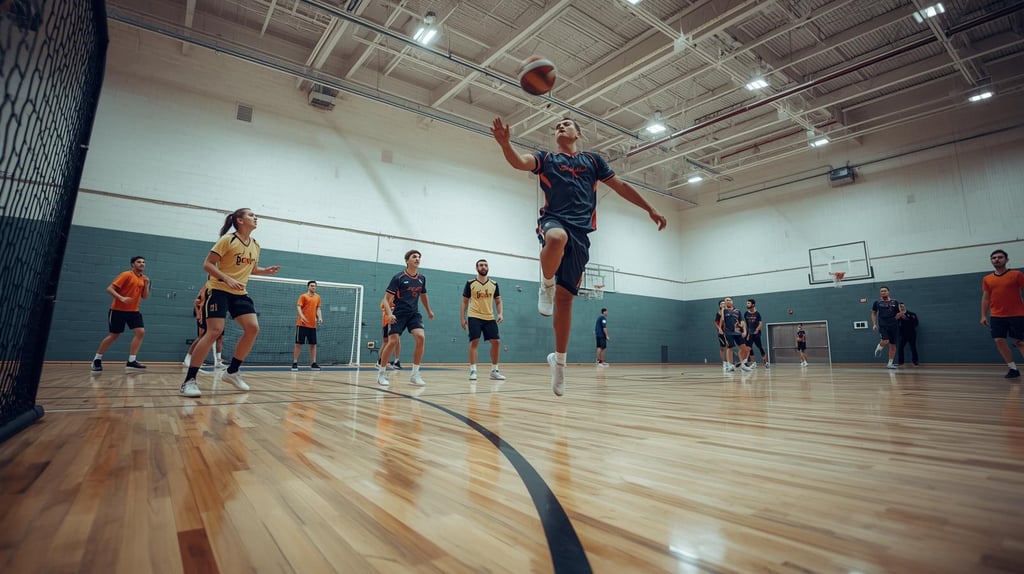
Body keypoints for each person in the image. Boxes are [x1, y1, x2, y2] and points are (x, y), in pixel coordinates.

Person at [490, 117, 667, 396]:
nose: (561, 127)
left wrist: (649, 208)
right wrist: (505, 144)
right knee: (556, 239)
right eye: (557, 125)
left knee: (565, 300)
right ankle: (546, 282)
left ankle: (559, 362)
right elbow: (519, 162)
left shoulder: (593, 161)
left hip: (582, 233)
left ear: (578, 133)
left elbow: (620, 186)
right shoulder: (546, 158)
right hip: (554, 221)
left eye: (567, 124)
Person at [180, 208, 280, 397]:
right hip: (218, 290)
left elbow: (250, 269)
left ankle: (232, 371)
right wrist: (226, 279)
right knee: (214, 332)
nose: (255, 217)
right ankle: (189, 381)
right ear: (240, 220)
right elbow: (207, 264)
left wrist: (264, 271)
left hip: (239, 292)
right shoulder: (228, 239)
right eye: (251, 215)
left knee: (253, 328)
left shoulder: (256, 245)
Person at [379, 250, 435, 387]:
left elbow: (423, 295)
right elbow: (386, 300)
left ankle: (415, 374)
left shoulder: (422, 278)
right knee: (392, 341)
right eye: (414, 257)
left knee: (421, 337)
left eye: (419, 257)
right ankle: (381, 373)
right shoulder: (398, 278)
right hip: (398, 314)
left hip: (414, 314)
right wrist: (389, 314)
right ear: (407, 261)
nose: (417, 259)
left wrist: (429, 310)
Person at [90, 255, 151, 372]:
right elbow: (109, 289)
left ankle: (131, 361)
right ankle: (97, 359)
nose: (142, 264)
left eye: (143, 262)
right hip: (118, 310)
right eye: (139, 262)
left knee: (140, 332)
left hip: (134, 311)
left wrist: (147, 284)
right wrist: (121, 298)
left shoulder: (144, 279)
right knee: (114, 335)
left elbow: (145, 296)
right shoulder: (126, 275)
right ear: (133, 264)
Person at [980, 249, 1024, 379]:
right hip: (997, 316)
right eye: (994, 258)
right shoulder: (987, 279)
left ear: (1006, 260)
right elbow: (986, 298)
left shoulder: (1017, 274)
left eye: (1000, 257)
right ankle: (1012, 368)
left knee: (1020, 342)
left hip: (1017, 314)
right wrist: (983, 315)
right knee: (999, 340)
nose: (997, 259)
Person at [460, 259, 506, 382]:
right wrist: (462, 318)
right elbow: (464, 301)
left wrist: (500, 313)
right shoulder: (470, 283)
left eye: (485, 265)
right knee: (474, 341)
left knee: (496, 341)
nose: (483, 267)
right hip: (474, 315)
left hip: (489, 317)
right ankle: (473, 370)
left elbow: (498, 300)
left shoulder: (494, 284)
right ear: (477, 268)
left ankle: (494, 370)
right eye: (481, 265)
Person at [184, 286, 225, 369]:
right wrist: (198, 314)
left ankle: (218, 361)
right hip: (204, 315)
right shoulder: (206, 287)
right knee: (200, 337)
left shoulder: (223, 289)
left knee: (220, 338)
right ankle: (187, 358)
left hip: (218, 315)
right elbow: (196, 302)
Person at [292, 280, 323, 371]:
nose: (314, 287)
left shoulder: (317, 297)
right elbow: (298, 307)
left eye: (315, 286)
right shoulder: (303, 296)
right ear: (308, 287)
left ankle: (313, 363)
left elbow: (318, 308)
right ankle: (295, 362)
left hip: (312, 325)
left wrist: (320, 317)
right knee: (299, 343)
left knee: (313, 344)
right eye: (312, 286)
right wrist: (302, 316)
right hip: (301, 324)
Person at [871, 286, 901, 369]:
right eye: (881, 291)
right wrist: (874, 324)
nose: (883, 292)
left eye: (885, 291)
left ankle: (890, 363)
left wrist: (900, 315)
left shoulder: (895, 302)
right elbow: (874, 313)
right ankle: (879, 347)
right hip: (883, 325)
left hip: (894, 325)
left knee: (893, 345)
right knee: (885, 340)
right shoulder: (877, 302)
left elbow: (898, 313)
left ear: (888, 292)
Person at [719, 297, 752, 372]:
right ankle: (730, 365)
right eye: (726, 300)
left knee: (743, 347)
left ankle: (743, 364)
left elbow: (742, 321)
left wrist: (744, 331)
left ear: (732, 301)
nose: (728, 301)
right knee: (730, 348)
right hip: (728, 332)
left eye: (729, 300)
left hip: (737, 332)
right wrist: (720, 329)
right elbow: (722, 320)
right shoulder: (723, 311)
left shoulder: (738, 311)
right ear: (725, 302)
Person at [744, 299, 768, 368]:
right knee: (749, 348)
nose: (747, 304)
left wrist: (757, 330)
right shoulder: (746, 313)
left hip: (756, 334)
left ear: (753, 304)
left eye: (748, 303)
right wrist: (746, 333)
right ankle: (753, 363)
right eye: (747, 303)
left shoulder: (757, 313)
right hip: (749, 334)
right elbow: (746, 324)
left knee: (760, 347)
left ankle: (765, 362)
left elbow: (761, 324)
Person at [379, 299, 402, 370]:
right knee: (386, 342)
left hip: (396, 321)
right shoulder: (388, 297)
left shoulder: (401, 297)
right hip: (387, 322)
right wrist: (391, 309)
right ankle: (380, 360)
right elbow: (383, 307)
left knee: (397, 340)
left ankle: (396, 361)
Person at [713, 300, 729, 369]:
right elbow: (716, 322)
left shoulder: (729, 312)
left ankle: (729, 362)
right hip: (721, 332)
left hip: (729, 331)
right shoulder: (718, 313)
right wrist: (719, 329)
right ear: (720, 305)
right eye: (721, 304)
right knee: (723, 347)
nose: (723, 304)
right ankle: (724, 363)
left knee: (729, 346)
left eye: (724, 303)